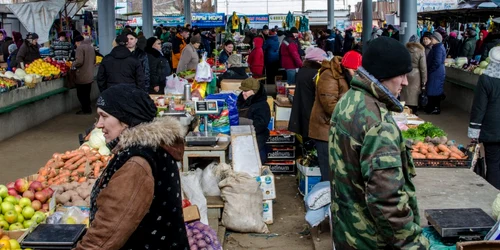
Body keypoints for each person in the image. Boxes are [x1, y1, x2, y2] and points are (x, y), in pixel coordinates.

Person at [329, 37, 429, 249]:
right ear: (383, 74)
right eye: (401, 74)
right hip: (372, 241)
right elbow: (386, 200)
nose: (405, 82)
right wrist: (413, 244)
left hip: (347, 231)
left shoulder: (348, 100)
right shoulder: (379, 124)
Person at [74, 85, 189, 250]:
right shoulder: (149, 148)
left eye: (104, 116)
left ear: (126, 120)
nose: (98, 124)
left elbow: (109, 229)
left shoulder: (137, 163)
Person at [309, 55, 349, 182]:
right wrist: (350, 117)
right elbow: (330, 104)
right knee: (328, 171)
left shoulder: (346, 75)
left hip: (337, 129)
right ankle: (327, 199)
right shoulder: (329, 75)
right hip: (325, 129)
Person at [469, 47, 500, 189]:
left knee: (493, 164)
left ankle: (494, 195)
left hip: (492, 130)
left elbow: (479, 108)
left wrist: (474, 133)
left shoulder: (486, 79)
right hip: (493, 130)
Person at [288, 47, 327, 140]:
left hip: (302, 110)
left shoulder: (303, 71)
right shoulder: (316, 73)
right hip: (312, 111)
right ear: (317, 60)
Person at [237, 78, 271, 164]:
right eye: (242, 91)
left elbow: (260, 124)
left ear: (254, 91)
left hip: (256, 139)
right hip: (241, 137)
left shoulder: (262, 106)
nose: (243, 93)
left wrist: (241, 122)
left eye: (246, 91)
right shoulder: (242, 101)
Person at [402, 35, 427, 115]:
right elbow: (423, 67)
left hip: (406, 72)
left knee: (405, 92)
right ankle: (414, 111)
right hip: (416, 74)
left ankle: (405, 109)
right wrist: (424, 81)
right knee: (415, 93)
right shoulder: (421, 50)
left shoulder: (405, 49)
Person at [73, 36, 96, 115]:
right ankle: (88, 108)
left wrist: (73, 64)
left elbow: (79, 61)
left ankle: (85, 109)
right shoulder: (91, 48)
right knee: (87, 93)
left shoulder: (80, 48)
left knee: (81, 94)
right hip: (89, 75)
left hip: (81, 74)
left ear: (77, 42)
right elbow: (94, 61)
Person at [426, 32, 446, 115]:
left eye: (432, 39)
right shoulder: (437, 47)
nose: (431, 40)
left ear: (437, 39)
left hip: (436, 72)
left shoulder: (438, 48)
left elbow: (437, 62)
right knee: (434, 89)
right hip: (437, 72)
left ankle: (435, 108)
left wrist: (430, 70)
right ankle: (433, 107)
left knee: (435, 90)